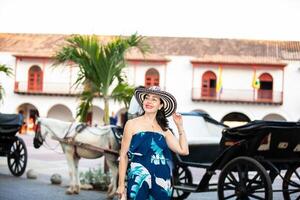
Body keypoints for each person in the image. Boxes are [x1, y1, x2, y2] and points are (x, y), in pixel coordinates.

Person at [116, 86, 189, 200]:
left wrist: (180, 126)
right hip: (138, 178)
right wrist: (121, 185)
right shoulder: (131, 124)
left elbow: (184, 151)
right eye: (147, 98)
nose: (149, 101)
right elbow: (123, 156)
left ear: (160, 105)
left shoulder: (164, 130)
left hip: (162, 180)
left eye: (154, 99)